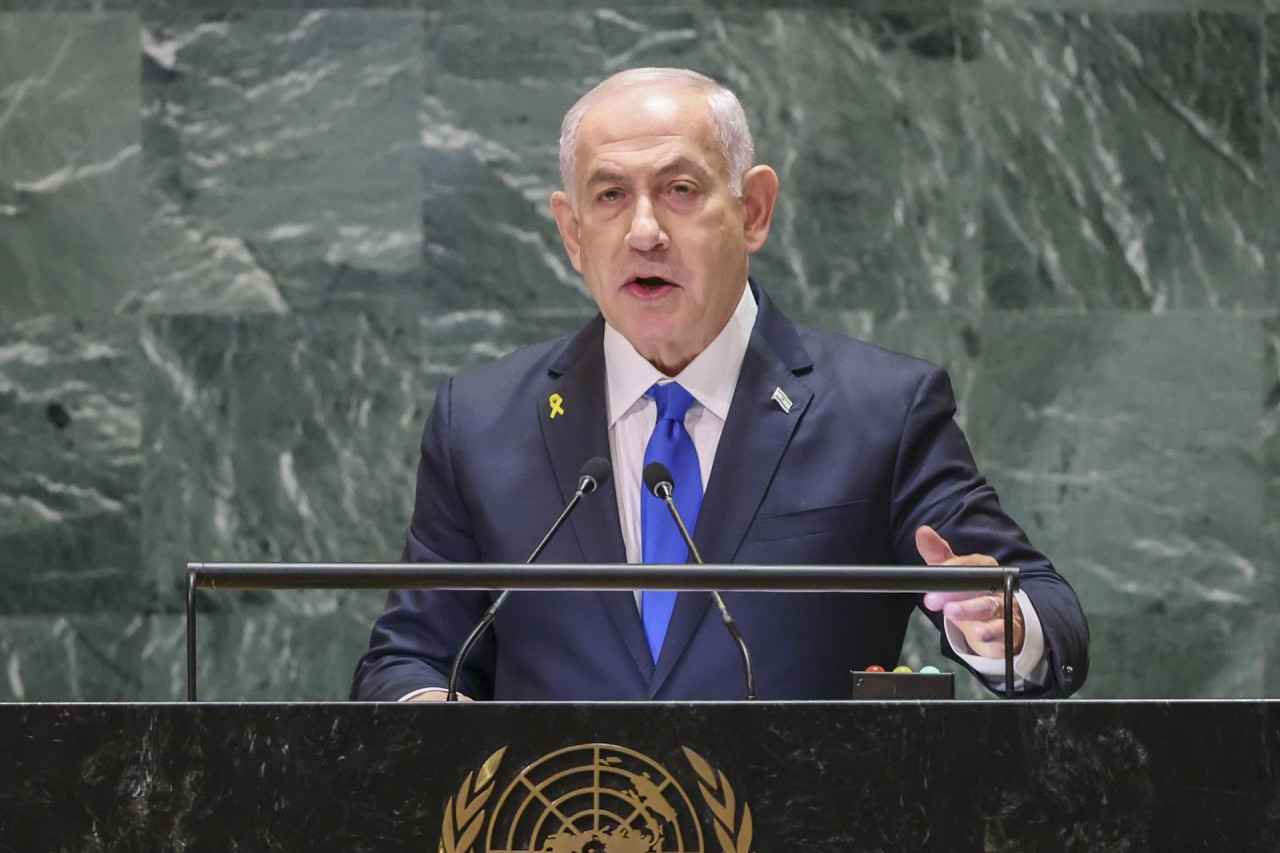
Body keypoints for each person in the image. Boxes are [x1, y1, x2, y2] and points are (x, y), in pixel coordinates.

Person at [351, 68, 1088, 702]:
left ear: (753, 209)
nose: (644, 231)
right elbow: (408, 655)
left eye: (678, 189)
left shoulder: (882, 410)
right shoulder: (479, 422)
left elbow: (1047, 613)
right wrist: (428, 712)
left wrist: (1002, 624)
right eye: (609, 196)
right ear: (572, 233)